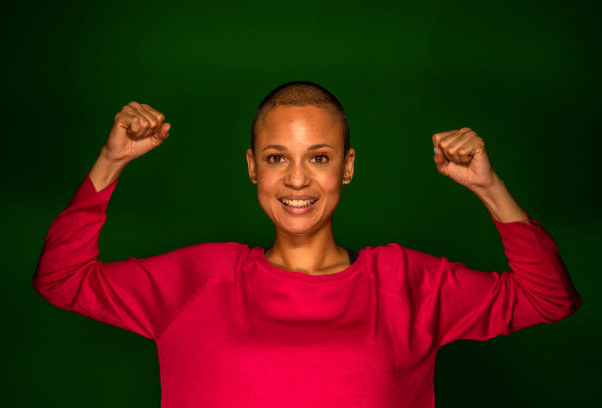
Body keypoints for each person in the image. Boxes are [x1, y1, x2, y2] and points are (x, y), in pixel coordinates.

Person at [33, 81, 581, 408]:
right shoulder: (199, 277)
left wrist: (489, 187)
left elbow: (548, 299)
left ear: (346, 168)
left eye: (318, 157)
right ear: (253, 168)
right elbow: (61, 280)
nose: (297, 180)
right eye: (277, 158)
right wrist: (111, 162)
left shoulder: (406, 283)